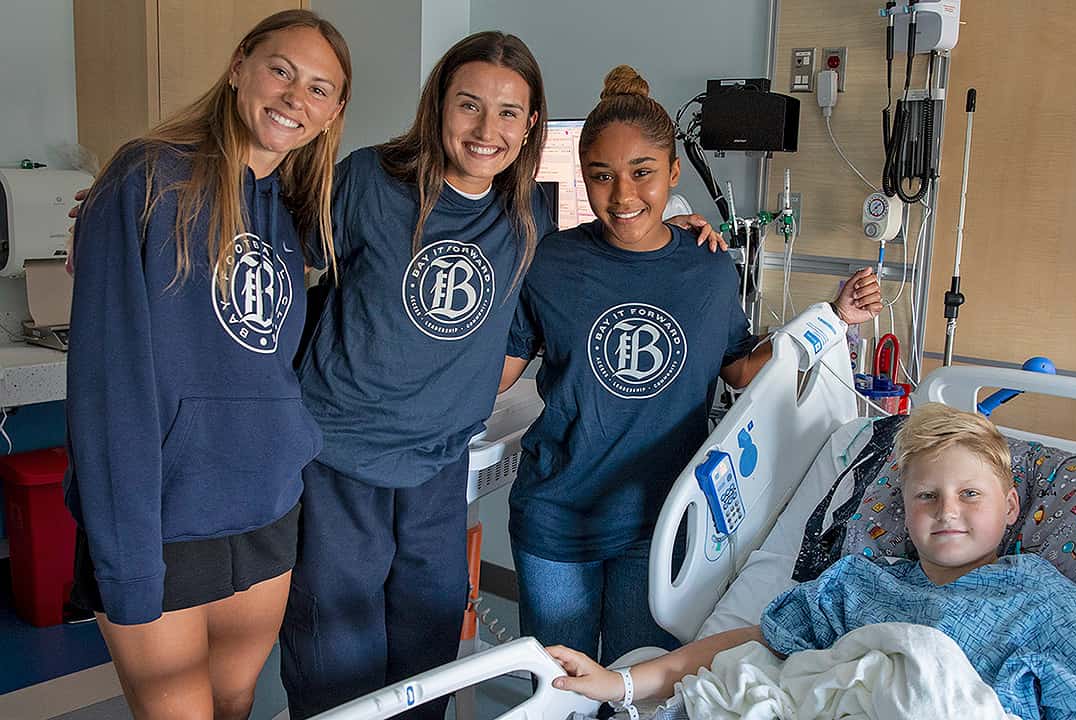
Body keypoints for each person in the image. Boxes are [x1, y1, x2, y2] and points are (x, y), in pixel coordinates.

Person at [280, 37, 722, 719]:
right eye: (469, 105)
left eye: (509, 112)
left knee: (427, 648)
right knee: (336, 650)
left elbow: (625, 227)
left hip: (438, 465)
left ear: (531, 125)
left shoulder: (528, 214)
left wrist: (684, 231)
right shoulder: (369, 180)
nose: (487, 129)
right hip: (342, 456)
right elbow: (274, 254)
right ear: (438, 105)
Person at [497, 65, 885, 667]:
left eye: (642, 173)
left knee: (638, 688)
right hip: (558, 517)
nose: (622, 196)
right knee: (558, 689)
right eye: (601, 176)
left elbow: (740, 367)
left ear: (673, 173)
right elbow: (500, 367)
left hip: (658, 523)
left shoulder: (706, 268)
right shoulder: (552, 261)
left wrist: (831, 318)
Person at [65, 10, 349, 719]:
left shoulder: (294, 212)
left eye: (319, 89)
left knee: (235, 701)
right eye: (281, 71)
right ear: (238, 66)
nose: (295, 98)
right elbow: (108, 389)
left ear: (332, 113)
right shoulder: (147, 180)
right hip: (162, 515)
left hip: (266, 508)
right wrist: (127, 560)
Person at [546, 404, 1076, 720]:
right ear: (905, 509)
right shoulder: (861, 585)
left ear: (1011, 508)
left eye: (970, 494)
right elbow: (757, 641)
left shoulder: (1041, 600)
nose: (947, 511)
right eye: (927, 496)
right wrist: (623, 683)